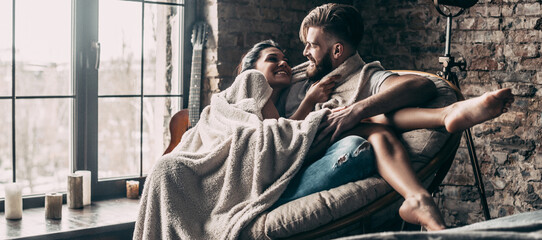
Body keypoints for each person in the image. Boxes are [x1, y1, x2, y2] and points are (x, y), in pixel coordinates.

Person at [276, 3, 514, 231]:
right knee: (370, 123)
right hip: (280, 160)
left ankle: (420, 195)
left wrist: (356, 109)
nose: (304, 52)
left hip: (320, 160)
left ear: (337, 50)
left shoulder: (365, 77)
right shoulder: (295, 73)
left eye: (312, 45)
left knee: (363, 126)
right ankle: (444, 117)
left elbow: (422, 86)